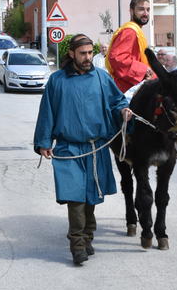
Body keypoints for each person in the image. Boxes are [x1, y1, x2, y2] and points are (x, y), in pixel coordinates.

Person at [34, 34, 132, 266]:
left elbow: (118, 101)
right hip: (69, 148)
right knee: (74, 197)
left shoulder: (101, 77)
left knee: (91, 197)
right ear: (71, 54)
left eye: (90, 53)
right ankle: (77, 244)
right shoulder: (57, 81)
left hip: (96, 147)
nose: (88, 57)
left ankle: (88, 236)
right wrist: (44, 141)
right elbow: (47, 111)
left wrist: (124, 111)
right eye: (83, 53)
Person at [106, 0, 155, 92]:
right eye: (141, 9)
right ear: (131, 11)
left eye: (148, 10)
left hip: (132, 85)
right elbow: (117, 58)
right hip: (127, 88)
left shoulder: (135, 30)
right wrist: (144, 70)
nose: (145, 13)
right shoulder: (130, 31)